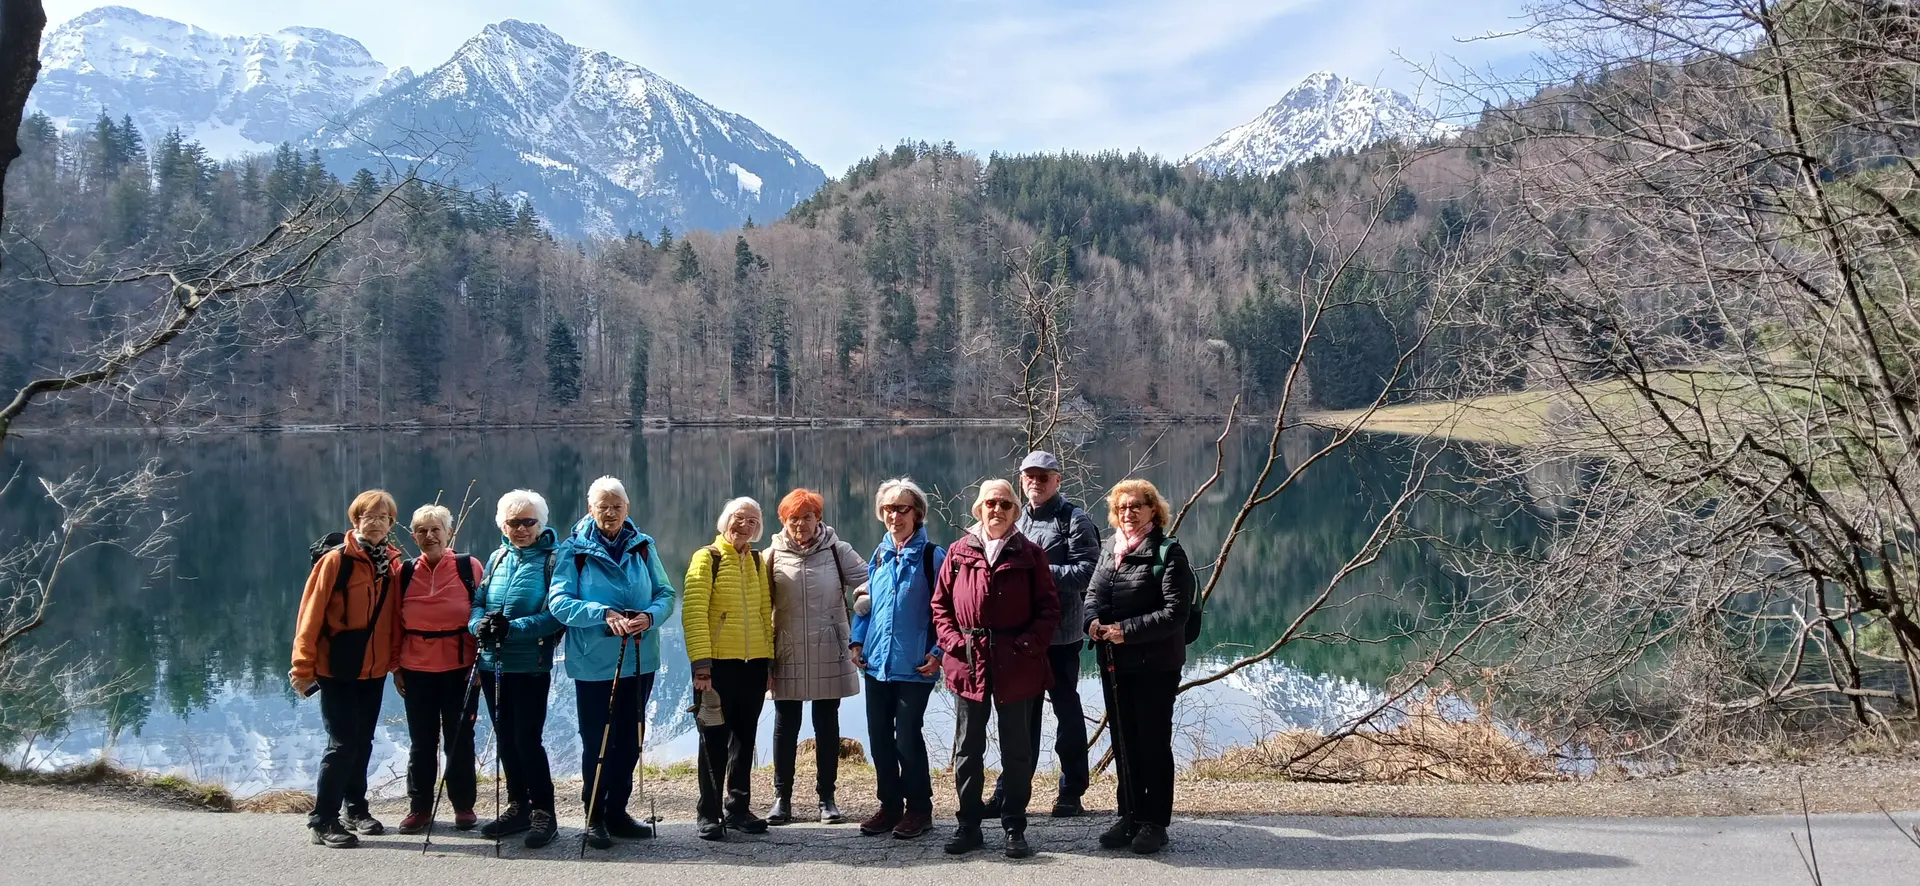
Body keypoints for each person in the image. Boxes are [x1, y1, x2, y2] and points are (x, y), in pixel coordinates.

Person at [931, 479, 1061, 860]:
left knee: (1017, 750)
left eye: (1005, 504)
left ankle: (1014, 825)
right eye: (991, 503)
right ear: (979, 509)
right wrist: (955, 643)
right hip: (970, 660)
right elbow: (940, 607)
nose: (998, 510)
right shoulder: (958, 552)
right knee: (968, 748)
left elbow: (1049, 609)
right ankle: (968, 824)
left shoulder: (1030, 553)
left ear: (1015, 511)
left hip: (1016, 662)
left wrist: (1027, 646)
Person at [549, 476, 679, 850]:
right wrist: (602, 612)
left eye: (616, 506)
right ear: (590, 509)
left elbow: (666, 593)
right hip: (594, 662)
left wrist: (650, 617)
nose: (609, 513)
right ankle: (594, 816)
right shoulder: (573, 551)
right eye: (602, 506)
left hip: (640, 658)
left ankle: (618, 812)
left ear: (628, 508)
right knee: (597, 741)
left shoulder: (642, 546)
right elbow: (559, 603)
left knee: (630, 740)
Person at [983, 450, 1100, 820]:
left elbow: (1088, 573)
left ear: (1057, 480)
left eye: (1043, 476)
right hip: (1022, 639)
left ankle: (1071, 792)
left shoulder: (1074, 520)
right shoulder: (1014, 520)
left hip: (1062, 636)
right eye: (1029, 476)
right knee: (1020, 718)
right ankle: (1011, 791)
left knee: (1066, 713)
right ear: (1021, 480)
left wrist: (1040, 572)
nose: (1036, 482)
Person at [291, 489, 406, 848]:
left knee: (363, 741)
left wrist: (395, 664)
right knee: (342, 744)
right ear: (355, 520)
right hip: (337, 667)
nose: (376, 523)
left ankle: (354, 808)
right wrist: (302, 666)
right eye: (368, 516)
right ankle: (322, 819)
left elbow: (393, 620)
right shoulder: (336, 562)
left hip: (372, 669)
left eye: (383, 517)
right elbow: (309, 617)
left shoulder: (392, 563)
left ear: (391, 523)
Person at [1085, 479, 1192, 856]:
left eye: (1136, 506)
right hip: (1115, 664)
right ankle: (1128, 814)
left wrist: (1124, 632)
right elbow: (1093, 595)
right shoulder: (1108, 549)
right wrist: (1093, 623)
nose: (1128, 513)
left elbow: (1174, 613)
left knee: (1152, 742)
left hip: (1155, 665)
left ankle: (1154, 822)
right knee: (1124, 742)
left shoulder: (1168, 552)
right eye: (1122, 507)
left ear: (1153, 511)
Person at [468, 489, 566, 849]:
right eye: (514, 522)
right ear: (503, 525)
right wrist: (477, 625)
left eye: (529, 522)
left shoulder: (554, 560)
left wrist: (514, 629)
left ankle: (544, 813)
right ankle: (518, 805)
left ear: (541, 524)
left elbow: (556, 615)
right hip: (492, 665)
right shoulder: (496, 559)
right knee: (506, 740)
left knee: (527, 739)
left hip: (531, 666)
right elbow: (477, 603)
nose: (521, 528)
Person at [765, 488, 869, 826]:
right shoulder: (771, 555)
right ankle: (782, 798)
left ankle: (827, 797)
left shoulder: (838, 551)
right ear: (784, 521)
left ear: (818, 519)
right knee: (786, 724)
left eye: (807, 517)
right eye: (793, 518)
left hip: (829, 646)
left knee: (826, 725)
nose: (800, 524)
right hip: (787, 647)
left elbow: (870, 579)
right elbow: (758, 602)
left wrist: (862, 599)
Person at [849, 477, 944, 840]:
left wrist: (937, 652)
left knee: (906, 736)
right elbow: (865, 605)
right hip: (876, 664)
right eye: (888, 509)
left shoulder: (933, 557)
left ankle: (919, 808)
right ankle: (889, 806)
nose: (894, 516)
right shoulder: (878, 555)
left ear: (917, 514)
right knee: (879, 738)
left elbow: (947, 613)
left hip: (916, 665)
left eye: (901, 509)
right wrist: (858, 641)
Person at [683, 496, 776, 840]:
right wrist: (701, 666)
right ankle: (708, 812)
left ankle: (737, 808)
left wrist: (769, 662)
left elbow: (766, 615)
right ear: (726, 520)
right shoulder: (707, 557)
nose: (745, 526)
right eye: (740, 519)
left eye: (753, 522)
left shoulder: (756, 560)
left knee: (744, 740)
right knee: (713, 740)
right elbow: (693, 613)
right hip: (717, 667)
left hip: (752, 667)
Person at [394, 504, 486, 836]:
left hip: (461, 669)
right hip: (416, 668)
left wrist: (480, 665)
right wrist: (395, 667)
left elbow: (482, 613)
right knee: (422, 741)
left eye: (436, 529)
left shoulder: (467, 567)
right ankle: (419, 808)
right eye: (422, 530)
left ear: (448, 533)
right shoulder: (404, 572)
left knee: (460, 740)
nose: (429, 536)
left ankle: (463, 805)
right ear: (414, 535)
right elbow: (395, 624)